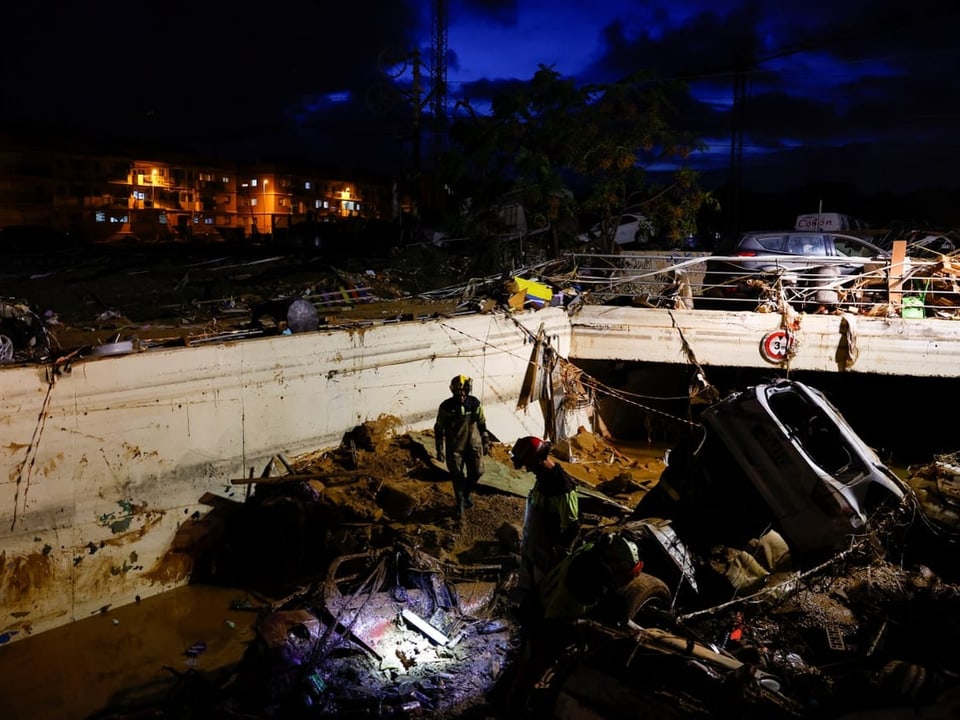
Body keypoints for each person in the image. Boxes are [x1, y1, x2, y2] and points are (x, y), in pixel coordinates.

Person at [510, 436, 581, 594]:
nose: (528, 469)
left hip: (547, 556)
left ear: (538, 460)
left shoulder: (562, 488)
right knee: (527, 590)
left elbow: (572, 527)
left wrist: (557, 558)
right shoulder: (543, 480)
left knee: (543, 594)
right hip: (532, 548)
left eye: (529, 465)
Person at [434, 374, 490, 518]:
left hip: (473, 444)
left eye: (464, 392)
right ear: (453, 391)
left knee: (478, 471)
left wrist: (485, 441)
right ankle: (459, 506)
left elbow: (482, 423)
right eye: (459, 392)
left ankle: (466, 494)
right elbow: (439, 428)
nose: (462, 396)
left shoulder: (474, 403)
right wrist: (439, 449)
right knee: (457, 476)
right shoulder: (446, 407)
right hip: (455, 447)